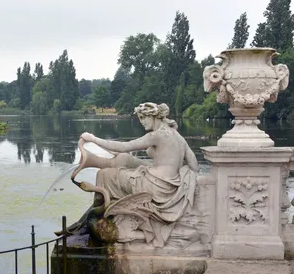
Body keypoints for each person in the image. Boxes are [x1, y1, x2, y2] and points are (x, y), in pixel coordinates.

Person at [61, 102, 199, 248]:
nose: (142, 122)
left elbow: (124, 146)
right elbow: (195, 165)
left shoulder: (157, 135)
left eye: (143, 117)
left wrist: (93, 139)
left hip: (154, 187)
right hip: (169, 186)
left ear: (153, 116)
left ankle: (95, 219)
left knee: (104, 175)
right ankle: (91, 218)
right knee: (124, 161)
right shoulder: (178, 137)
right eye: (140, 118)